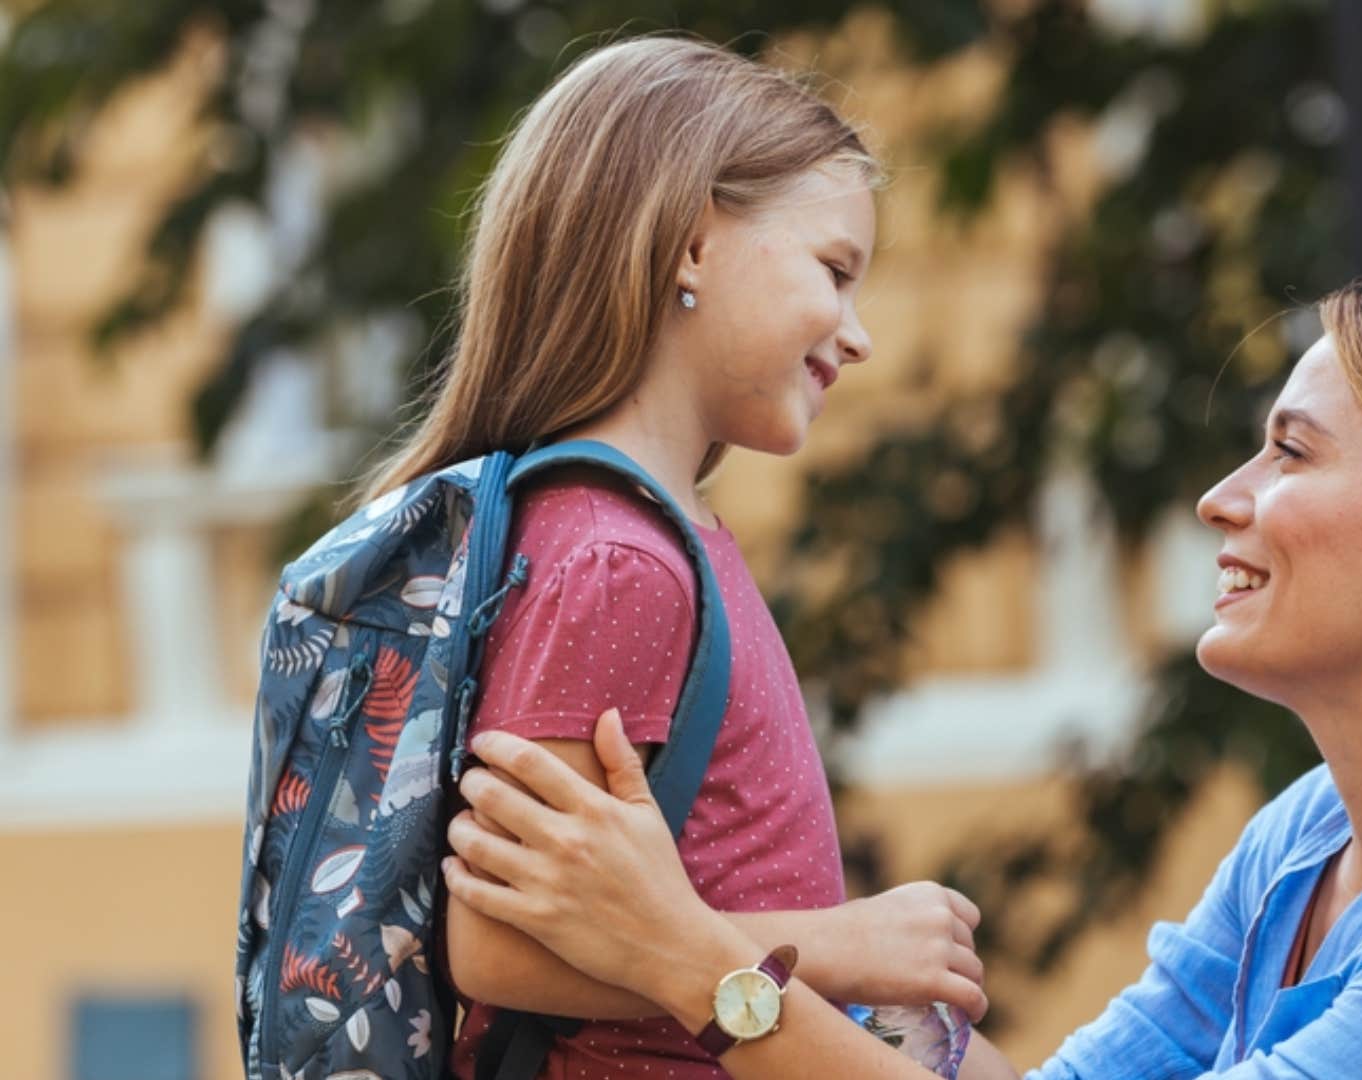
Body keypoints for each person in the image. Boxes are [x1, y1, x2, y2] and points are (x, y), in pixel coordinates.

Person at [441, 279, 1362, 1078]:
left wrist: (694, 960)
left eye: (1293, 455)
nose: (1220, 499)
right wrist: (839, 965)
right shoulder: (1310, 841)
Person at [358, 35, 987, 1079]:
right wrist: (843, 945)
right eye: (834, 271)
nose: (858, 333)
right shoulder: (617, 559)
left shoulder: (659, 538)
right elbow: (499, 946)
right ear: (691, 245)